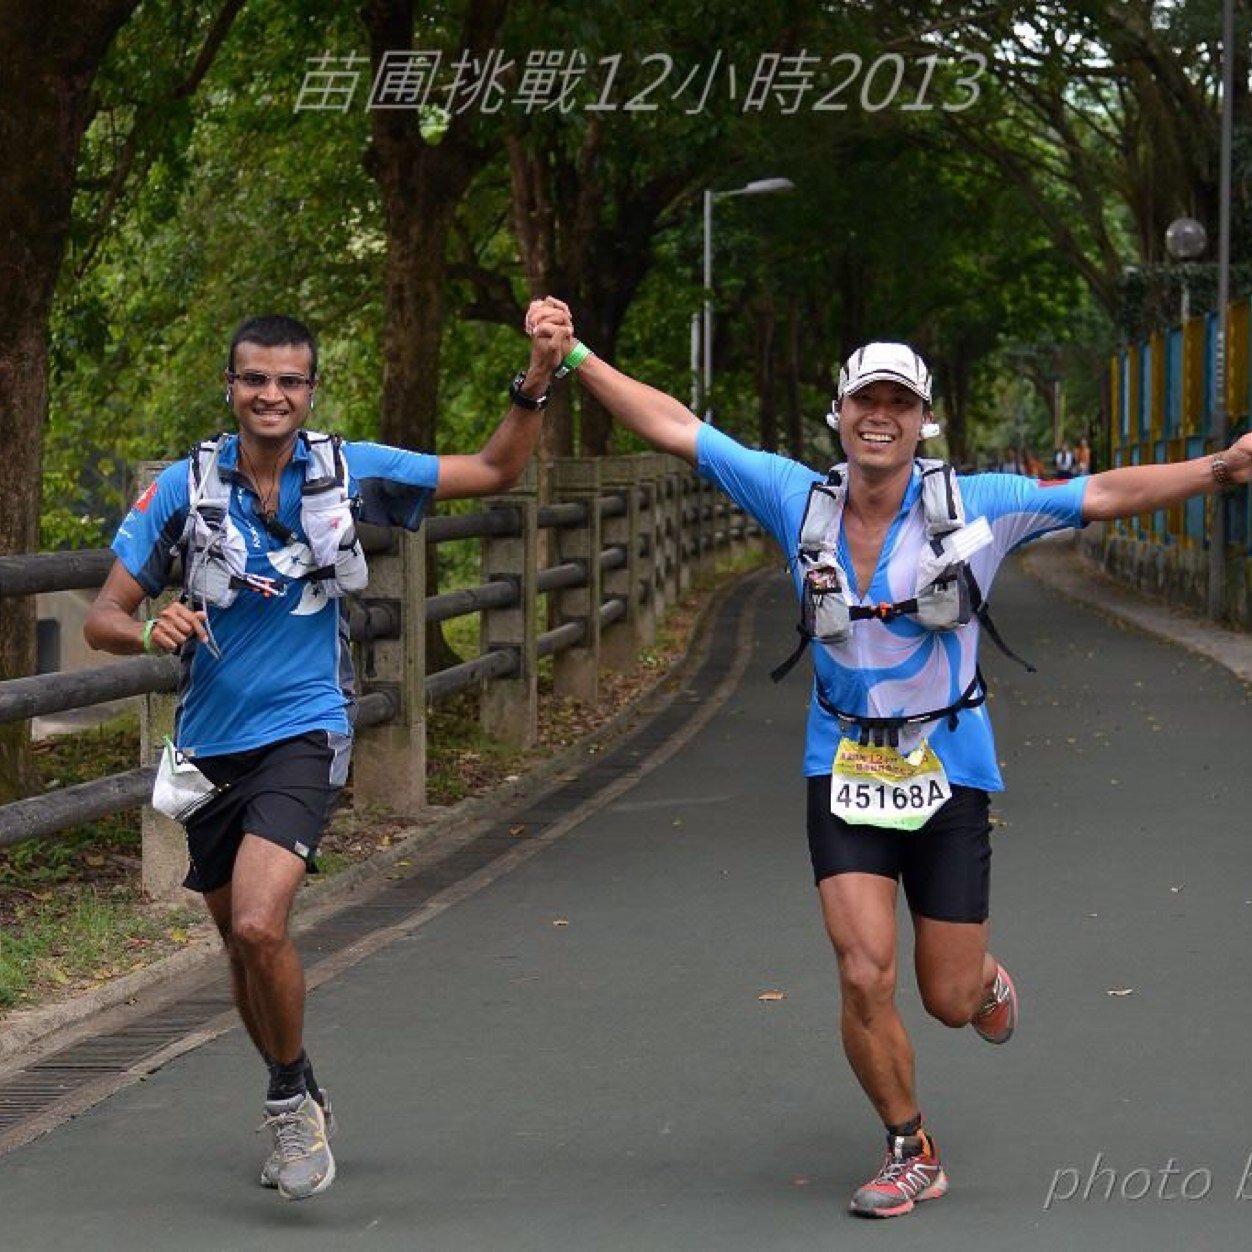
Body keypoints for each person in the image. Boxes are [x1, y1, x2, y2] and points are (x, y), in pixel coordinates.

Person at [540, 315, 1252, 1219]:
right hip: (841, 763)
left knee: (947, 997)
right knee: (860, 967)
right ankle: (909, 1144)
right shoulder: (794, 496)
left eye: (900, 404)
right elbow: (677, 426)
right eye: (866, 401)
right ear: (838, 413)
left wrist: (1222, 467)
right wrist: (571, 356)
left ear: (924, 422)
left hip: (949, 765)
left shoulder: (979, 504)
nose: (882, 417)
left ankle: (983, 979)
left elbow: (1101, 492)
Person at [83, 302, 571, 1201]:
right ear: (232, 388)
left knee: (266, 924)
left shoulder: (353, 472)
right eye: (255, 379)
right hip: (207, 749)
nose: (272, 395)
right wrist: (149, 624)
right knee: (241, 948)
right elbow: (101, 617)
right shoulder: (183, 490)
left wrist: (537, 376)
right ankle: (299, 1079)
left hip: (307, 730)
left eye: (289, 380)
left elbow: (498, 467)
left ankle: (284, 1104)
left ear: (310, 391)